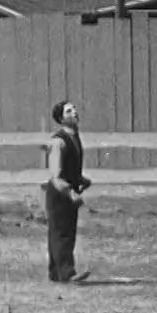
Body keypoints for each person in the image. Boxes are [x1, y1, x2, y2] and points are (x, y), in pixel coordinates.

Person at [44, 100, 91, 283]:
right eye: (69, 111)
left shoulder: (75, 136)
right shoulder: (58, 141)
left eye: (74, 109)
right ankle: (67, 273)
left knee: (64, 232)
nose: (75, 112)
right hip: (59, 193)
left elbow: (70, 168)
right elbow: (56, 176)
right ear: (61, 118)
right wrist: (71, 192)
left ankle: (56, 272)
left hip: (70, 189)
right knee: (62, 233)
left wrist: (81, 179)